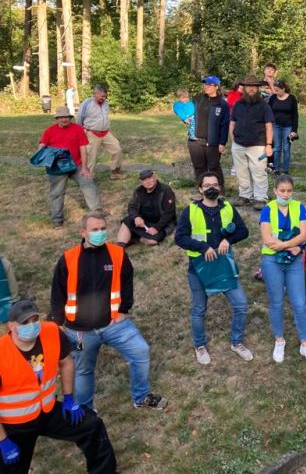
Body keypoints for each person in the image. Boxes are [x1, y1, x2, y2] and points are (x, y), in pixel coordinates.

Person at [49, 210, 167, 410]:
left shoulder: (117, 253)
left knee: (141, 351)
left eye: (103, 229)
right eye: (95, 230)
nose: (100, 233)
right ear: (83, 232)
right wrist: (56, 323)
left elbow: (127, 281)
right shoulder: (68, 258)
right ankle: (86, 411)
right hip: (80, 331)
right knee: (84, 371)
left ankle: (141, 397)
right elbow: (57, 293)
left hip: (114, 324)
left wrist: (123, 309)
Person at [0, 298, 117, 473]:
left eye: (34, 320)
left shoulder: (51, 332)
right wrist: (2, 440)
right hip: (14, 425)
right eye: (25, 322)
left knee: (92, 426)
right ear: (11, 326)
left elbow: (66, 361)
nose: (32, 325)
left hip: (48, 411)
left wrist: (69, 398)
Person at [174, 172, 253, 365]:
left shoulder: (227, 208)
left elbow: (243, 231)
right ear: (200, 188)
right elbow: (180, 238)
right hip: (199, 268)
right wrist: (203, 247)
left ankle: (237, 342)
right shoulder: (190, 211)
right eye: (207, 185)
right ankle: (199, 345)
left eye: (215, 184)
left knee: (241, 304)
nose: (212, 188)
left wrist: (228, 239)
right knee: (199, 309)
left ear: (220, 188)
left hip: (224, 266)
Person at [259, 175, 306, 366]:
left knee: (299, 304)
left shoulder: (299, 207)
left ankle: (305, 344)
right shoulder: (267, 209)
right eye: (282, 191)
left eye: (289, 191)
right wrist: (290, 246)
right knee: (276, 302)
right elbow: (267, 239)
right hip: (271, 261)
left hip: (293, 262)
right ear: (275, 191)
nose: (286, 194)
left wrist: (285, 245)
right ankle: (279, 340)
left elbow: (303, 235)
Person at [37, 106, 101, 229]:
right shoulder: (50, 131)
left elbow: (83, 148)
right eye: (61, 117)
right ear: (57, 118)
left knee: (87, 182)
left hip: (76, 165)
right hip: (57, 168)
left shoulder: (77, 129)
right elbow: (42, 144)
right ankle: (57, 220)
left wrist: (84, 168)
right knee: (57, 193)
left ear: (70, 118)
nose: (64, 119)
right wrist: (41, 154)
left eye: (66, 117)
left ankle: (96, 212)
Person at [230, 75, 274, 210]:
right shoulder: (238, 104)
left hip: (258, 144)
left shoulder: (264, 105)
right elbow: (232, 123)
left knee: (259, 172)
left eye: (254, 87)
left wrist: (268, 145)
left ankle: (260, 198)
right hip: (238, 144)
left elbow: (269, 126)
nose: (251, 89)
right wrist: (233, 141)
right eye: (249, 86)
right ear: (244, 88)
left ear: (258, 88)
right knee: (241, 172)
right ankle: (245, 196)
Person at [116, 169, 177, 248]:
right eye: (144, 180)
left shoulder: (165, 190)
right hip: (143, 222)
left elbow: (169, 213)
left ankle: (136, 237)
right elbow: (132, 207)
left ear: (154, 177)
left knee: (152, 242)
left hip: (161, 224)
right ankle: (120, 248)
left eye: (149, 178)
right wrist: (136, 217)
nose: (148, 181)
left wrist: (156, 227)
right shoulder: (138, 191)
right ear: (141, 182)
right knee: (127, 221)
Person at [190, 76, 230, 194]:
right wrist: (184, 117)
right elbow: (185, 108)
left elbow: (225, 124)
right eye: (205, 84)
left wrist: (222, 142)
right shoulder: (198, 99)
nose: (206, 87)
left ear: (216, 87)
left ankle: (220, 190)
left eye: (209, 85)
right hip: (195, 140)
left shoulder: (222, 104)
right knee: (199, 167)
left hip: (213, 141)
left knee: (214, 167)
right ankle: (201, 190)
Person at [76, 85, 123, 179]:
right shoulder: (87, 103)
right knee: (91, 156)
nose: (104, 98)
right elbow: (79, 118)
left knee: (117, 149)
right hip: (91, 133)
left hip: (106, 133)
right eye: (101, 96)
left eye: (105, 96)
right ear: (94, 94)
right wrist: (83, 131)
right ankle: (89, 177)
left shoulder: (106, 103)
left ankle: (115, 172)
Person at [268, 80, 299, 175]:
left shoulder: (292, 98)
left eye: (278, 90)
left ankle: (285, 170)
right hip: (276, 126)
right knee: (277, 148)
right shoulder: (273, 98)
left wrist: (294, 130)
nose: (276, 92)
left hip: (288, 127)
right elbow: (268, 112)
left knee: (286, 148)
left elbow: (295, 115)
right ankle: (277, 169)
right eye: (275, 90)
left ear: (283, 89)